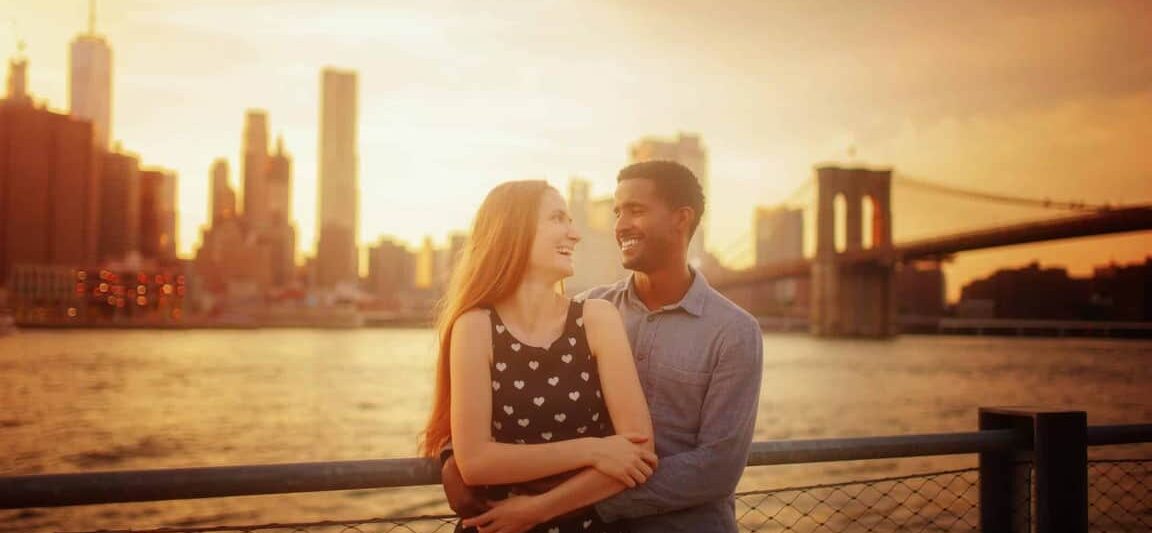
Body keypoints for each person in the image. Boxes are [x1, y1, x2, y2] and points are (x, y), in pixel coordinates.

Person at [449, 161, 764, 533]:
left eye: (636, 210)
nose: (619, 225)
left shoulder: (734, 332)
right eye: (618, 212)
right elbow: (511, 407)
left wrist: (553, 502)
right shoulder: (588, 312)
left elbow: (717, 469)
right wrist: (456, 458)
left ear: (681, 219)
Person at [420, 180, 660, 533]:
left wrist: (536, 510)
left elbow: (637, 455)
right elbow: (474, 462)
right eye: (558, 218)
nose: (575, 234)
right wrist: (595, 450)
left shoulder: (597, 318)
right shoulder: (474, 327)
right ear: (513, 230)